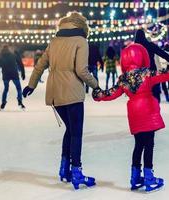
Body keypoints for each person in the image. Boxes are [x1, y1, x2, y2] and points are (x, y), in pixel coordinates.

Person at [93, 43, 169, 192]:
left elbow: (111, 94)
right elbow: (163, 75)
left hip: (134, 112)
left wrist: (99, 95)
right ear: (142, 56)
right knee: (149, 144)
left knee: (138, 145)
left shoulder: (123, 79)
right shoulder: (147, 73)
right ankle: (149, 178)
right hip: (147, 109)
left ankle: (135, 178)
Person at [23, 12, 98, 190]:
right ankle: (77, 172)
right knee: (76, 133)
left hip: (55, 94)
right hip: (72, 93)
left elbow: (40, 64)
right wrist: (95, 85)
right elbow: (81, 70)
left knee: (70, 130)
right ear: (82, 26)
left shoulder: (54, 41)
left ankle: (64, 169)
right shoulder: (81, 41)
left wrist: (31, 85)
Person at [135, 29, 169, 103]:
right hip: (152, 71)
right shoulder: (150, 45)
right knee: (155, 92)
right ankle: (155, 108)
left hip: (139, 73)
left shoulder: (133, 48)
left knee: (141, 95)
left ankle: (144, 110)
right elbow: (163, 54)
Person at [0, 45, 25, 110]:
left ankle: (3, 102)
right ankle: (20, 100)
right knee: (19, 88)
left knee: (6, 89)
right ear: (8, 49)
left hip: (6, 75)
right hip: (14, 74)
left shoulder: (0, 57)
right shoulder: (13, 55)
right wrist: (23, 73)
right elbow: (20, 63)